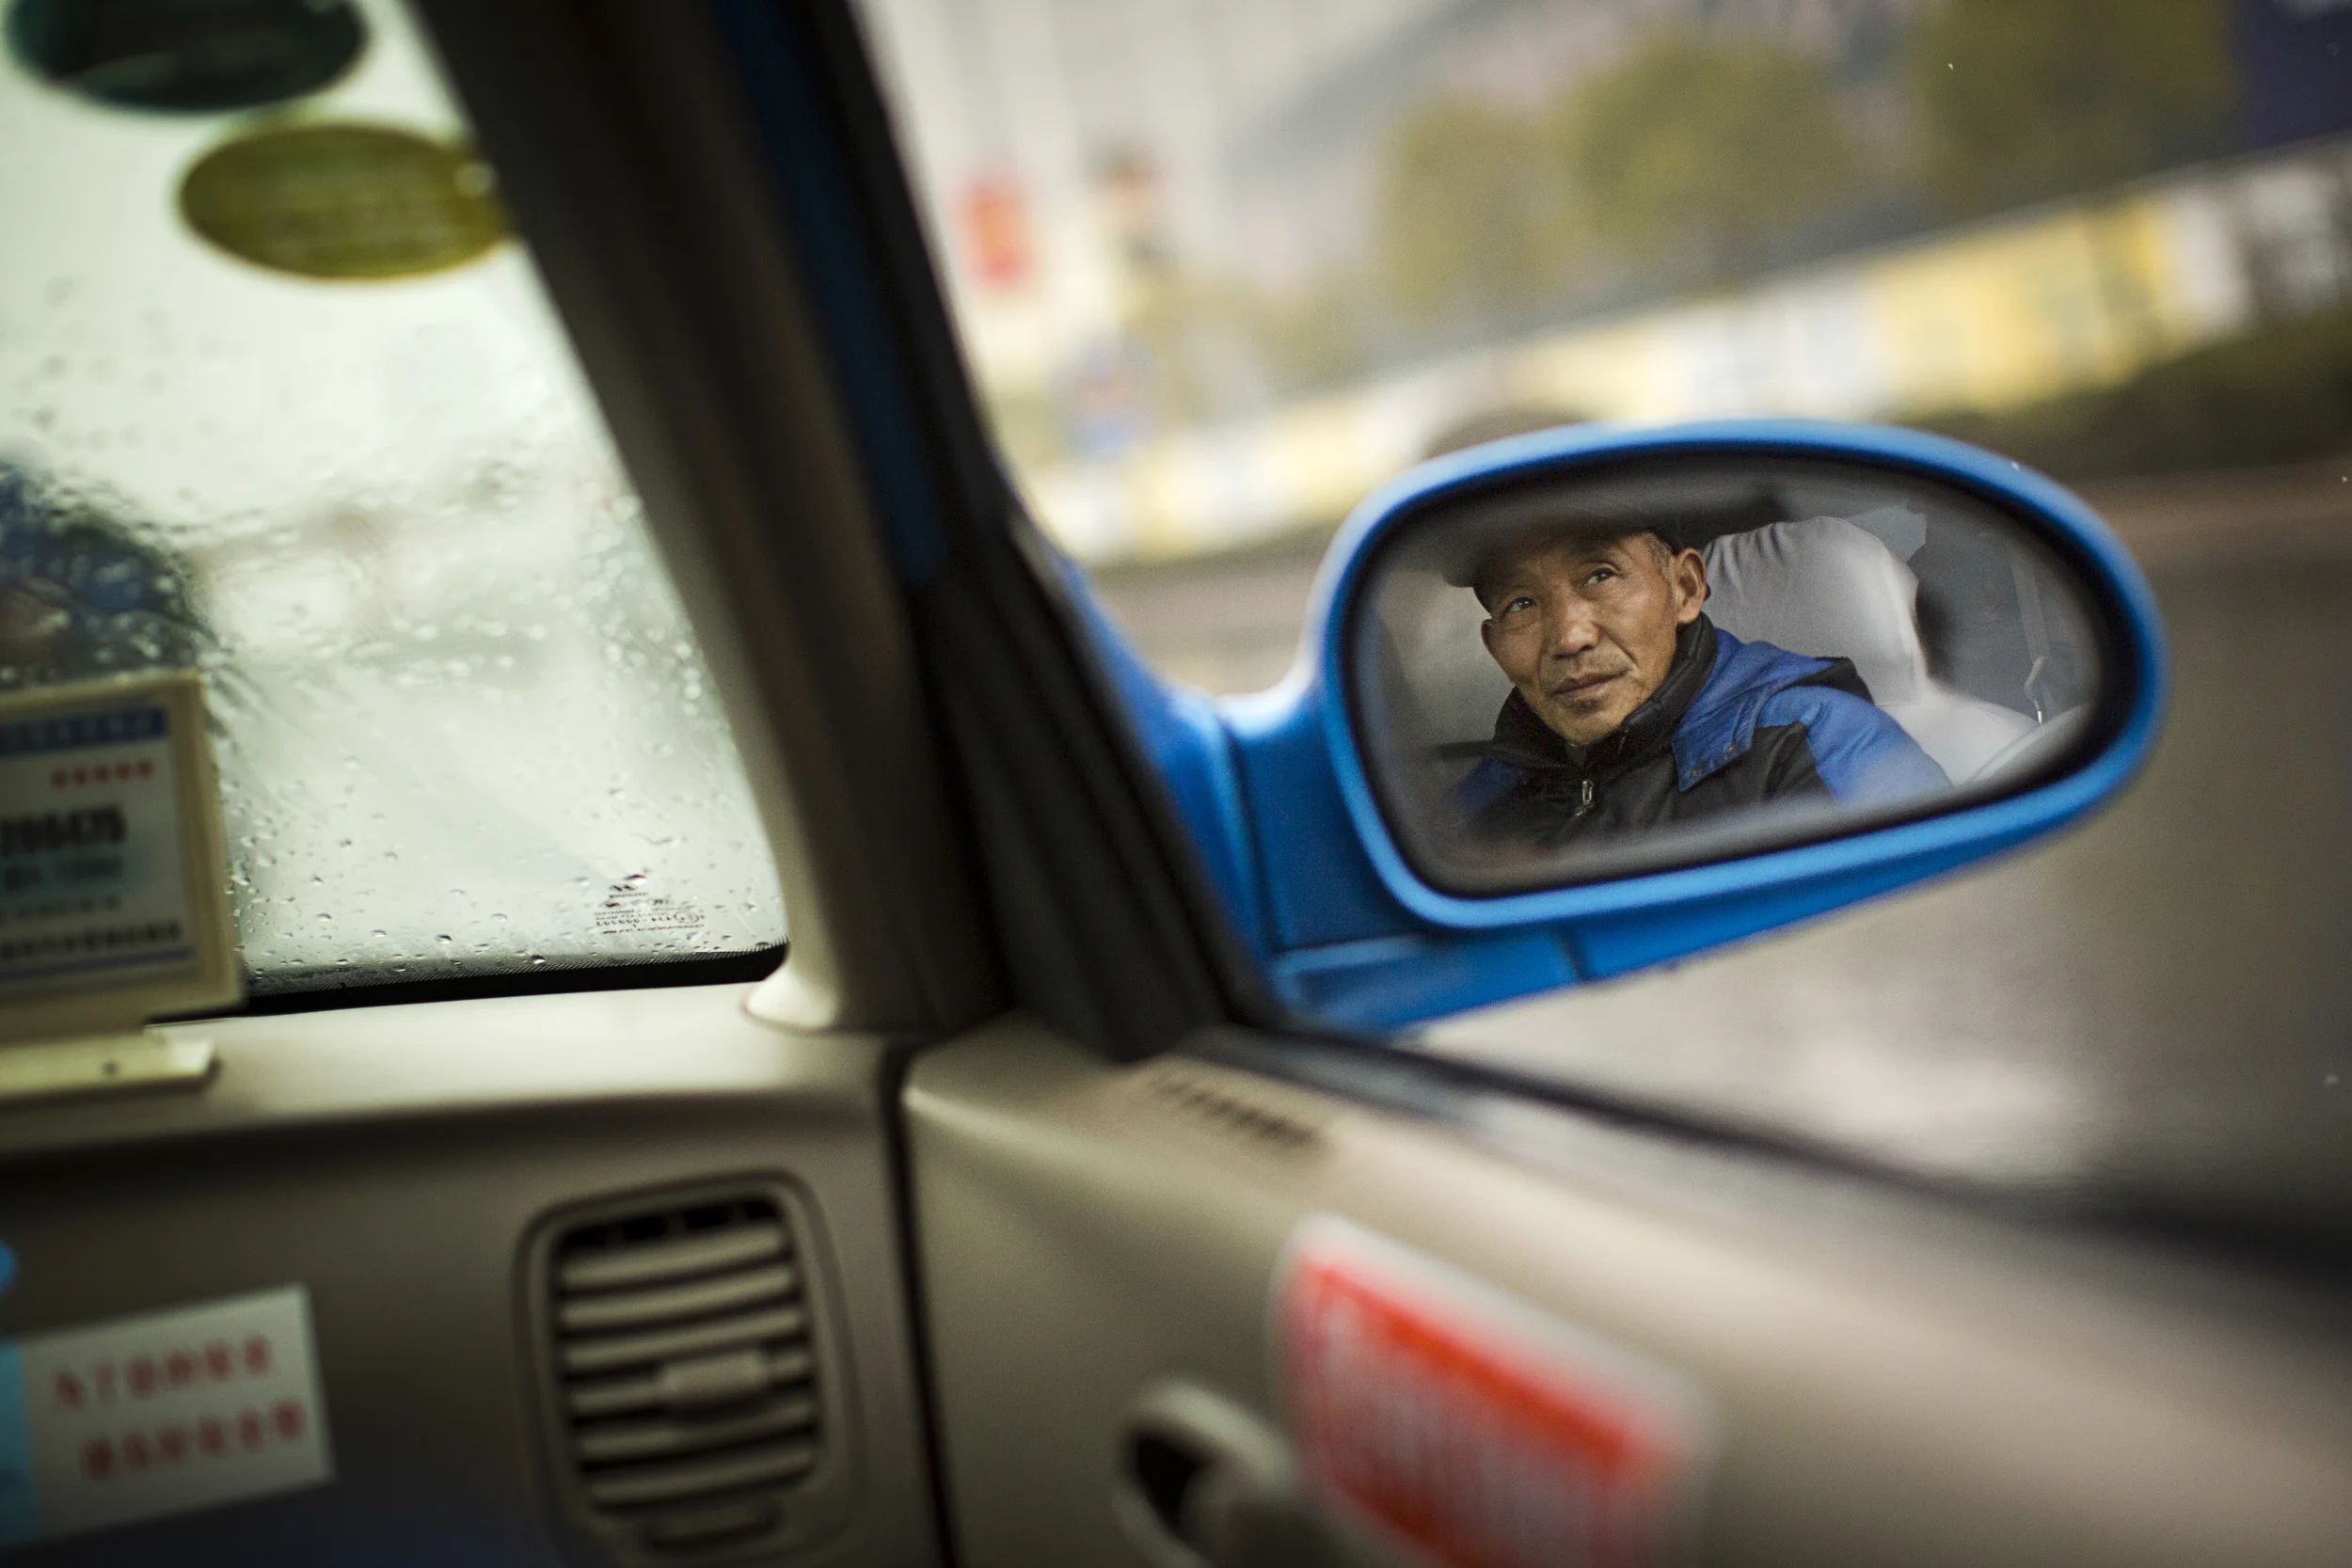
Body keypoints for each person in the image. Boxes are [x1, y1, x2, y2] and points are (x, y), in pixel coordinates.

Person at [1449, 519, 1947, 850]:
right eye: (1521, 604)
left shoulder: (1815, 744)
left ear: (1686, 590)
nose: (1570, 637)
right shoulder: (1483, 802)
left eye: (1601, 576)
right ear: (1496, 648)